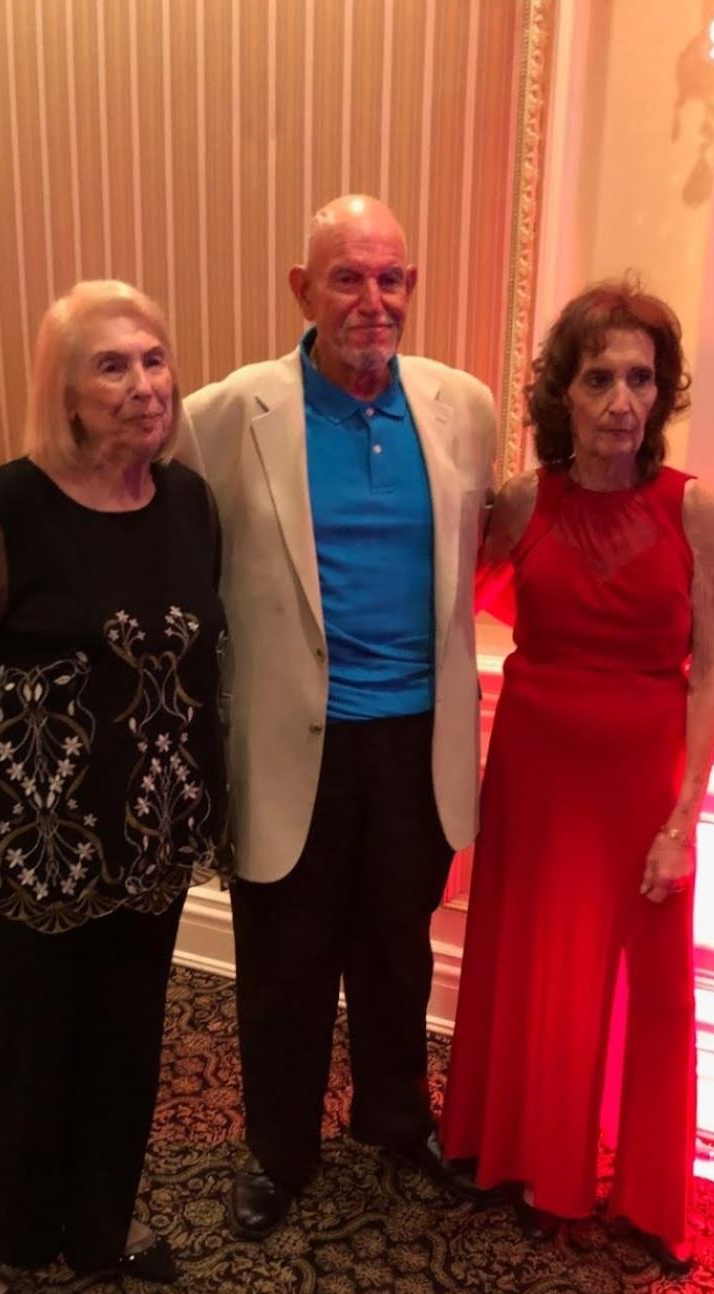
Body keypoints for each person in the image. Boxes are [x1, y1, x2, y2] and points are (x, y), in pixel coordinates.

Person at [0, 280, 230, 1294]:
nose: (145, 387)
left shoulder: (188, 503)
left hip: (146, 840)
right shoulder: (13, 503)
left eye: (155, 360)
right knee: (18, 1043)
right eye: (113, 367)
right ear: (67, 393)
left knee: (126, 1038)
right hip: (25, 840)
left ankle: (97, 1220)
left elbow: (199, 663)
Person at [173, 195, 497, 1239]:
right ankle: (280, 1151)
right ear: (302, 289)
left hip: (416, 741)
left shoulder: (462, 407)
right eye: (348, 277)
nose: (373, 298)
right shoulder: (229, 413)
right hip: (288, 745)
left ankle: (395, 1118)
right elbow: (179, 566)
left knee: (399, 954)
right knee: (287, 968)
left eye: (391, 276)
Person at [440, 280, 714, 1273]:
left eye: (639, 378)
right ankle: (523, 1161)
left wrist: (684, 818)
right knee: (532, 963)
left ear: (661, 391)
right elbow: (445, 598)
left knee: (653, 990)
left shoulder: (696, 508)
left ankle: (647, 1197)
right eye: (598, 376)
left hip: (641, 773)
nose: (620, 399)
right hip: (536, 761)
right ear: (561, 391)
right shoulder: (522, 501)